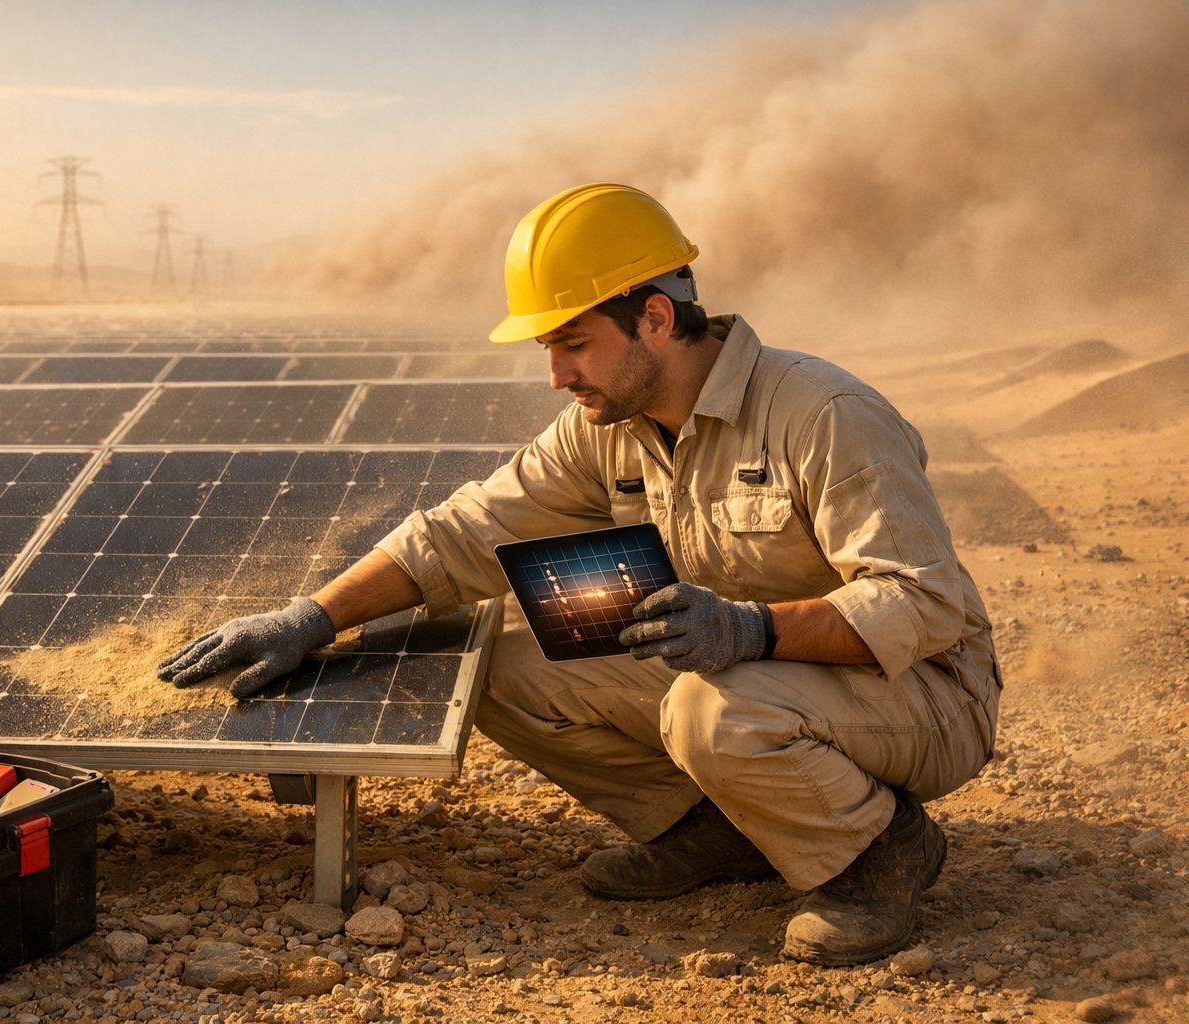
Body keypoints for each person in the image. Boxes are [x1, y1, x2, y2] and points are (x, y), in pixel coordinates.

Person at [157, 182, 1000, 966]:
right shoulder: (606, 426)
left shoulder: (823, 415)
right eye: (549, 347)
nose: (556, 376)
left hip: (921, 696)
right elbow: (463, 533)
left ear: (658, 319)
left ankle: (879, 857)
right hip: (750, 674)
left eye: (574, 344)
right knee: (495, 666)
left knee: (715, 709)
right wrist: (313, 616)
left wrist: (752, 628)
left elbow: (922, 605)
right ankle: (722, 829)